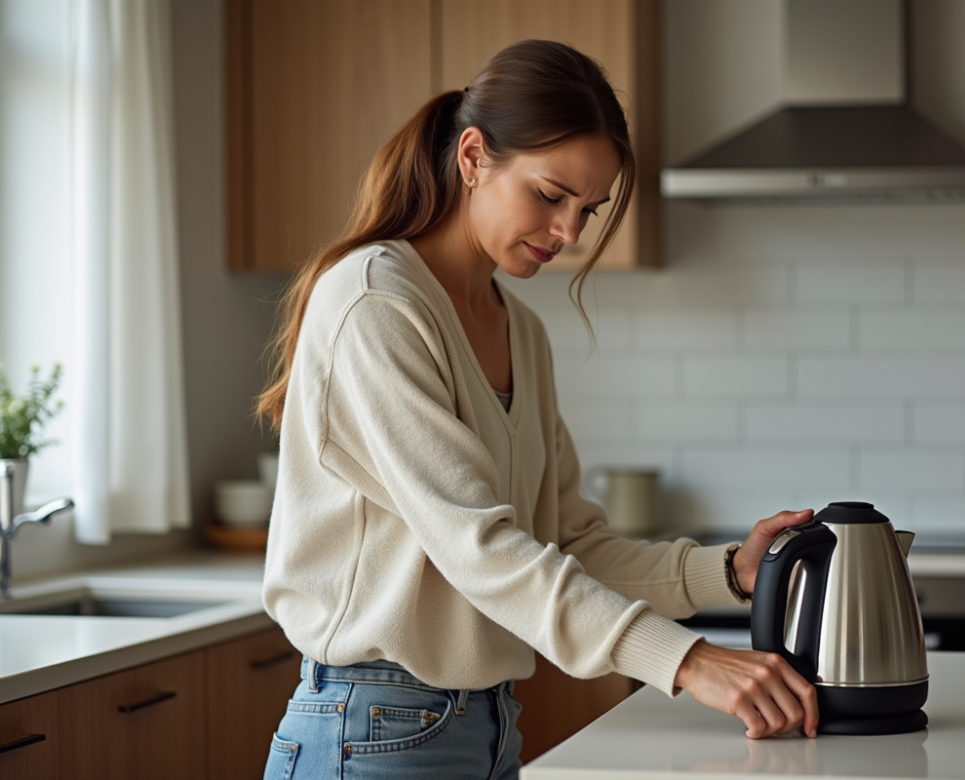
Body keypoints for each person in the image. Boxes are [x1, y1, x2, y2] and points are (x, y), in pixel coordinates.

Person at [256, 39, 817, 780]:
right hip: (369, 727)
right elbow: (478, 547)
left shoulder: (520, 328)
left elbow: (565, 543)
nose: (571, 233)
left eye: (589, 208)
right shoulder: (374, 300)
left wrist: (730, 575)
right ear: (474, 157)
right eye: (552, 196)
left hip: (487, 726)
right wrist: (686, 661)